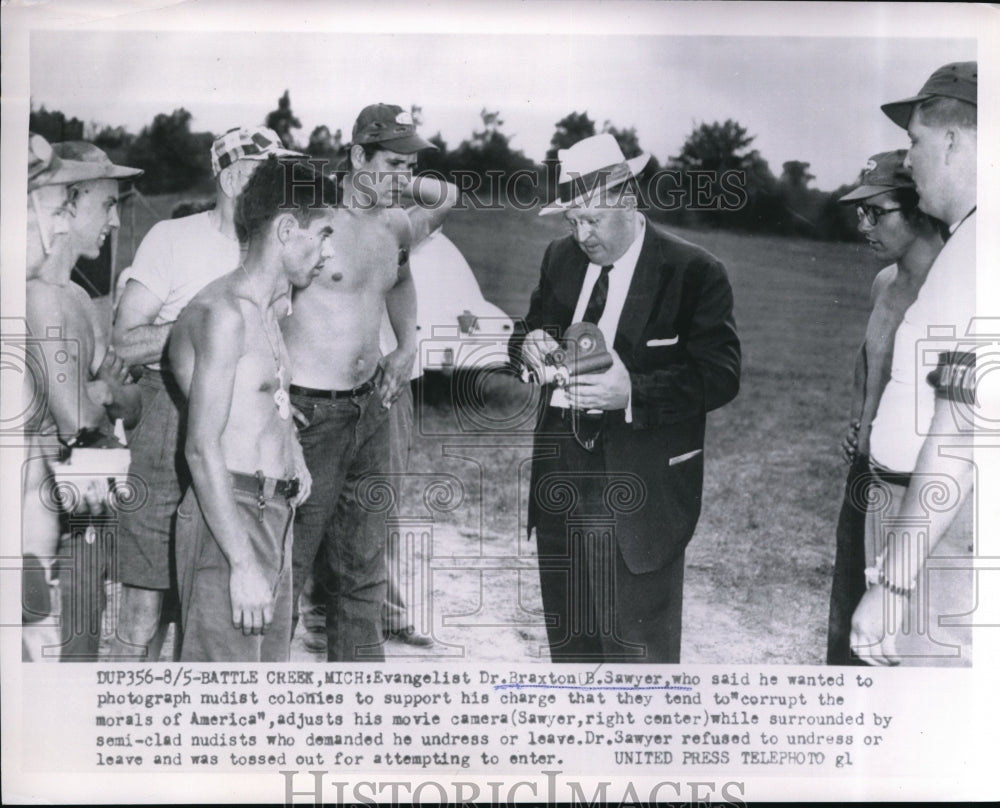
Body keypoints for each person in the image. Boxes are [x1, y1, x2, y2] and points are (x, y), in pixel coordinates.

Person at [510, 134, 741, 663]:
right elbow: (527, 329)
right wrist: (528, 346)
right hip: (561, 473)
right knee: (572, 645)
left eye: (591, 220)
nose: (581, 234)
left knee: (638, 656)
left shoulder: (694, 271)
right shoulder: (560, 258)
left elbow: (721, 374)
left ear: (627, 197)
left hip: (641, 483)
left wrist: (632, 392)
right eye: (572, 221)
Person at [111, 126, 298, 660]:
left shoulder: (274, 247)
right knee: (148, 601)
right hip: (170, 417)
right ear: (236, 178)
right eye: (271, 173)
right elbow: (124, 343)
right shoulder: (174, 239)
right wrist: (206, 330)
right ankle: (124, 723)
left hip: (243, 443)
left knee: (220, 601)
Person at [283, 103, 444, 661]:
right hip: (310, 414)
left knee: (363, 565)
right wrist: (276, 397)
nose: (403, 179)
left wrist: (406, 344)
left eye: (409, 167)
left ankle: (359, 710)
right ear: (357, 156)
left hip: (373, 408)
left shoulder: (393, 224)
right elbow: (260, 305)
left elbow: (398, 276)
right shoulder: (309, 220)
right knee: (290, 562)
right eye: (393, 165)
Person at [168, 156, 336, 661]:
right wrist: (241, 563)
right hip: (231, 517)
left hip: (274, 513)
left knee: (263, 687)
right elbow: (200, 447)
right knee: (223, 700)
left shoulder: (270, 309)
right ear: (287, 228)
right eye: (323, 234)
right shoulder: (222, 314)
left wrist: (294, 455)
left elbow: (266, 401)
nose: (328, 252)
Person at [851, 61, 983, 666]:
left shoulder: (982, 253)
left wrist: (892, 585)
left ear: (953, 140)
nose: (908, 161)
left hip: (944, 528)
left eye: (915, 142)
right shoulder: (971, 243)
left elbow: (961, 435)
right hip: (923, 516)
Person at [23, 136, 142, 661]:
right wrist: (100, 393)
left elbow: (130, 406)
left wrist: (103, 392)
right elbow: (78, 419)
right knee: (50, 656)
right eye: (107, 204)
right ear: (68, 202)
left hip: (90, 499)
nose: (114, 222)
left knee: (83, 643)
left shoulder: (77, 297)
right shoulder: (36, 297)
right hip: (45, 510)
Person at [825, 150, 943, 665]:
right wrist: (860, 420)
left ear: (918, 210)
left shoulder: (955, 288)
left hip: (919, 484)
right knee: (850, 612)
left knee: (911, 630)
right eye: (859, 211)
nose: (862, 224)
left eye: (877, 211)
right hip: (865, 475)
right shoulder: (884, 283)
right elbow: (869, 360)